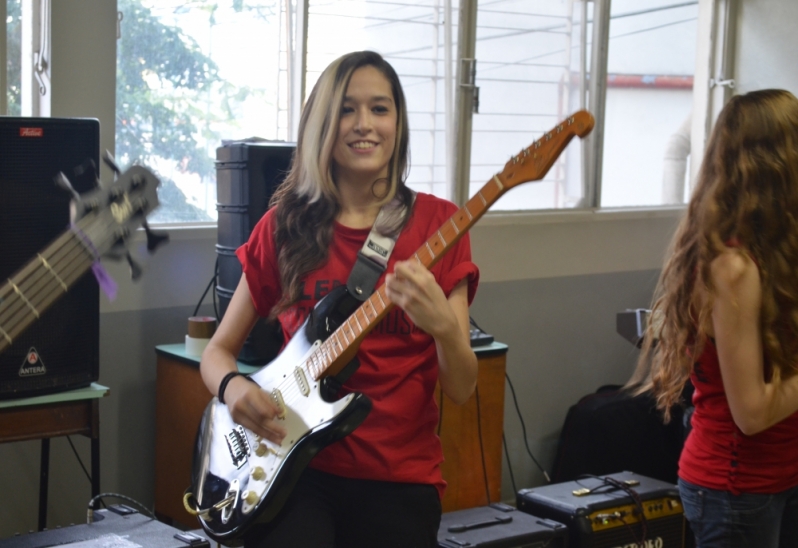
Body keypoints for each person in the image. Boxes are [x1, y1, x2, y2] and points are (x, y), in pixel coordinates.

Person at [199, 50, 479, 548]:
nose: (364, 124)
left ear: (399, 122)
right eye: (347, 109)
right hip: (292, 473)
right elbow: (217, 352)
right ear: (322, 124)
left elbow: (461, 387)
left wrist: (442, 326)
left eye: (380, 108)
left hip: (399, 480)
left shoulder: (440, 225)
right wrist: (234, 389)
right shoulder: (283, 227)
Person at [628, 89, 798, 547]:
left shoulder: (777, 254)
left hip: (783, 478)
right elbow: (752, 412)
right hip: (736, 491)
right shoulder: (733, 268)